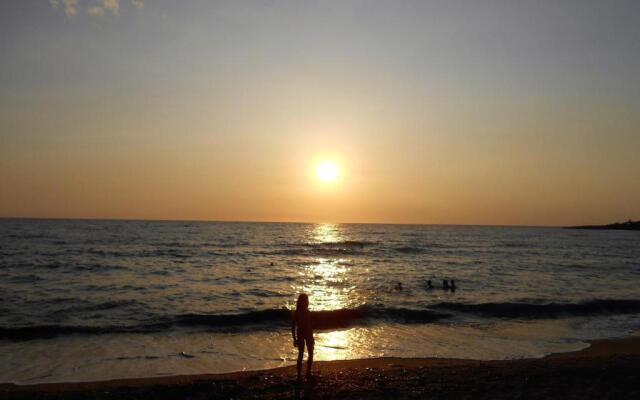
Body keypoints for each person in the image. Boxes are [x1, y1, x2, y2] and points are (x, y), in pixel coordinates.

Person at [292, 293, 314, 379]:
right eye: (305, 300)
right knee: (300, 354)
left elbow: (310, 325)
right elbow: (293, 326)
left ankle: (308, 372)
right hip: (300, 334)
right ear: (300, 302)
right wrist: (294, 339)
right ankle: (299, 374)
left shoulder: (308, 312)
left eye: (307, 300)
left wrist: (312, 337)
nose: (307, 302)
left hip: (309, 334)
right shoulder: (297, 313)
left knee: (311, 353)